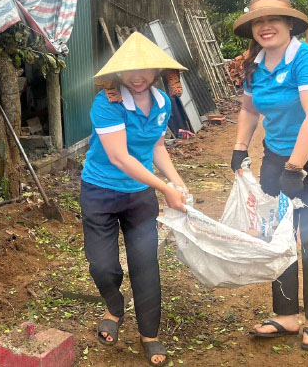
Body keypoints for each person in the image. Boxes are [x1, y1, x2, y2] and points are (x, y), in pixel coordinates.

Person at [230, 0, 308, 352]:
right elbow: (250, 110)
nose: (265, 27)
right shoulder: (254, 64)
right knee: (277, 234)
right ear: (252, 30)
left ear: (290, 24)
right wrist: (239, 147)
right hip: (277, 154)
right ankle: (285, 315)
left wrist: (295, 168)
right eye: (257, 23)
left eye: (273, 20)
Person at [81, 32, 189, 367]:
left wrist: (178, 182)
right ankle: (114, 306)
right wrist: (165, 189)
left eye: (145, 69)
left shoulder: (162, 102)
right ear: (118, 73)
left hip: (139, 196)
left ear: (158, 69)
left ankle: (149, 335)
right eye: (131, 70)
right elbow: (121, 158)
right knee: (102, 265)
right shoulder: (107, 103)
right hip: (99, 192)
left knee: (145, 264)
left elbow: (156, 146)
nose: (138, 77)